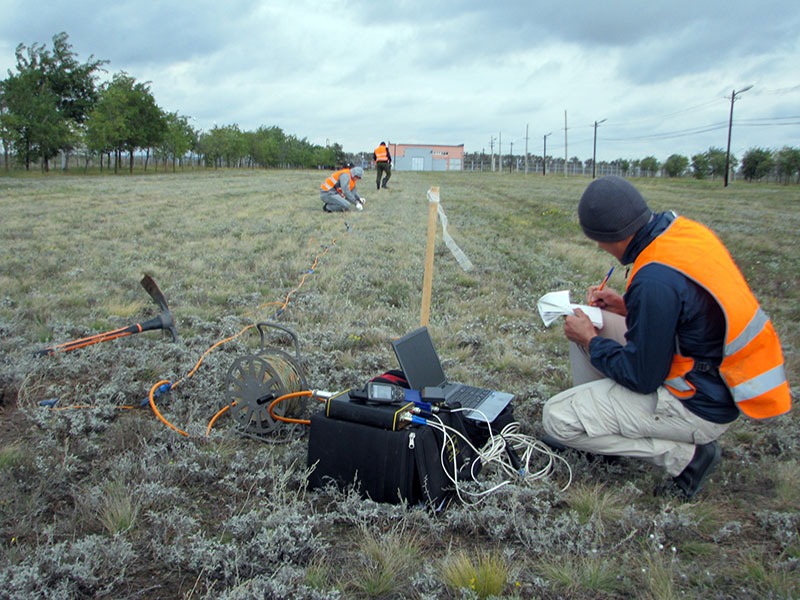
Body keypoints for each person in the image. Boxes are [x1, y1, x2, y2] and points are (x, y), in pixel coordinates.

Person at [541, 176, 791, 500]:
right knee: (595, 324)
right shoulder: (682, 233)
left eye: (598, 242)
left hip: (696, 405)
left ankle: (686, 459)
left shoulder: (653, 280)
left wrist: (591, 341)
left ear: (610, 236)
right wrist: (626, 305)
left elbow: (642, 376)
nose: (600, 248)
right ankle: (601, 422)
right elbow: (688, 312)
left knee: (556, 418)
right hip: (713, 381)